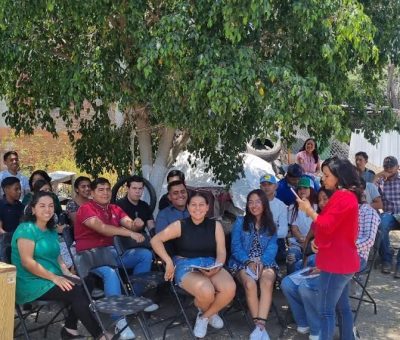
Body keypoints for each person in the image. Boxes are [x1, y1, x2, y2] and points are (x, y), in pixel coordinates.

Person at [282, 185, 379, 340]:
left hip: (354, 258)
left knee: (315, 293)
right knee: (338, 300)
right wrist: (319, 243)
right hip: (334, 258)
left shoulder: (368, 212)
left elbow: (367, 241)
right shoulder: (337, 211)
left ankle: (318, 328)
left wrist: (336, 249)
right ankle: (346, 334)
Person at [11, 191, 109, 340]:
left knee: (87, 282)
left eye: (51, 206)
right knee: (76, 292)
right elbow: (27, 262)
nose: (47, 209)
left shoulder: (51, 230)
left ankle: (70, 328)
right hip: (30, 281)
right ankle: (100, 335)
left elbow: (57, 256)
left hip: (51, 277)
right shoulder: (26, 229)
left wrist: (67, 274)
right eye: (42, 206)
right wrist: (55, 278)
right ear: (33, 209)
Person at [74, 177, 157, 340]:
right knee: (111, 273)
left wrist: (137, 225)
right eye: (100, 190)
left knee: (144, 255)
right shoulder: (86, 208)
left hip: (110, 254)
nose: (105, 193)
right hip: (89, 257)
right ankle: (119, 320)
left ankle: (134, 298)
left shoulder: (113, 208)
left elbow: (130, 224)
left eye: (107, 189)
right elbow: (103, 229)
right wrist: (130, 232)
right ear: (91, 193)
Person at [151, 192, 236, 338]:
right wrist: (169, 261)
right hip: (186, 264)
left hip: (210, 263)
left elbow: (221, 251)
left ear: (207, 207)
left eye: (201, 204)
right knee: (206, 291)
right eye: (194, 205)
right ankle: (209, 312)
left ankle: (204, 316)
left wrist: (218, 265)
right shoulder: (180, 225)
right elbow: (155, 240)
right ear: (188, 207)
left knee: (230, 288)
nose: (198, 208)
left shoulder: (215, 225)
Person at [296, 156, 361, 340]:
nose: (323, 179)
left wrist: (308, 210)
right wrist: (319, 243)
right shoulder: (347, 196)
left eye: (326, 175)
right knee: (342, 308)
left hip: (336, 265)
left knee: (326, 312)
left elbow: (325, 225)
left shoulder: (343, 196)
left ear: (339, 176)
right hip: (341, 262)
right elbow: (333, 229)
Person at [228, 189, 278, 340]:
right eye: (250, 202)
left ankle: (259, 327)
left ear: (264, 203)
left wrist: (263, 262)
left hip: (265, 261)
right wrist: (248, 262)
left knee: (267, 280)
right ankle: (260, 329)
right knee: (249, 284)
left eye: (257, 201)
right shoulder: (240, 222)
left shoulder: (270, 224)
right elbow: (235, 247)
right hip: (242, 262)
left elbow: (273, 247)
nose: (254, 205)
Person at [375, 156, 400, 277]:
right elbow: (370, 191)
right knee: (380, 225)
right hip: (388, 214)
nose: (388, 169)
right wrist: (377, 176)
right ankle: (386, 260)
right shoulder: (381, 181)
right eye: (386, 166)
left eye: (391, 166)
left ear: (397, 167)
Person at [286, 177, 317, 274]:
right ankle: (291, 281)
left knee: (312, 260)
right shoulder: (292, 207)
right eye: (299, 188)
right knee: (291, 257)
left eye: (305, 188)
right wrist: (303, 240)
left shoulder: (317, 207)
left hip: (314, 243)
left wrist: (308, 242)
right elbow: (294, 229)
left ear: (311, 189)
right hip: (298, 241)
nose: (302, 190)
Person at [259, 173, 288, 262]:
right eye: (264, 185)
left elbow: (283, 232)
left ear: (275, 186)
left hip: (275, 241)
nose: (266, 187)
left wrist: (266, 235)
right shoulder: (255, 204)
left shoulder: (281, 206)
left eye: (269, 184)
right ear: (260, 187)